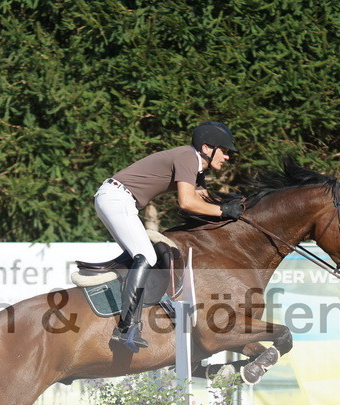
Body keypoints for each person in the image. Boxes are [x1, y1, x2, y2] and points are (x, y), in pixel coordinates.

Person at [94, 121, 244, 352]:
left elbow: (203, 199)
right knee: (146, 256)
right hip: (116, 198)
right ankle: (126, 327)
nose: (227, 157)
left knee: (144, 256)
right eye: (224, 150)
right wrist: (223, 211)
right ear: (206, 148)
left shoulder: (197, 168)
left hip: (117, 199)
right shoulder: (188, 157)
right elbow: (187, 202)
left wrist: (234, 205)